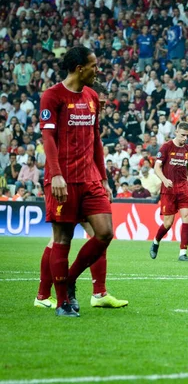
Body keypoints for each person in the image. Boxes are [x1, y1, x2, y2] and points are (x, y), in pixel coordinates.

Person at [40, 47, 125, 317]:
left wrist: (103, 177)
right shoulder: (52, 96)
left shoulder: (92, 97)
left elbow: (96, 140)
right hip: (62, 180)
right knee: (62, 238)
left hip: (90, 180)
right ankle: (63, 301)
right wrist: (55, 175)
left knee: (105, 232)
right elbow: (49, 140)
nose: (97, 70)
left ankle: (72, 278)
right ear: (79, 68)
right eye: (93, 65)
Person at [149, 121, 188, 261]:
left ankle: (183, 253)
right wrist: (164, 179)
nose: (185, 139)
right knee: (168, 223)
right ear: (176, 132)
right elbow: (157, 167)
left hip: (183, 188)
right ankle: (156, 241)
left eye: (187, 136)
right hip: (168, 189)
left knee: (186, 218)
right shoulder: (166, 147)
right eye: (182, 135)